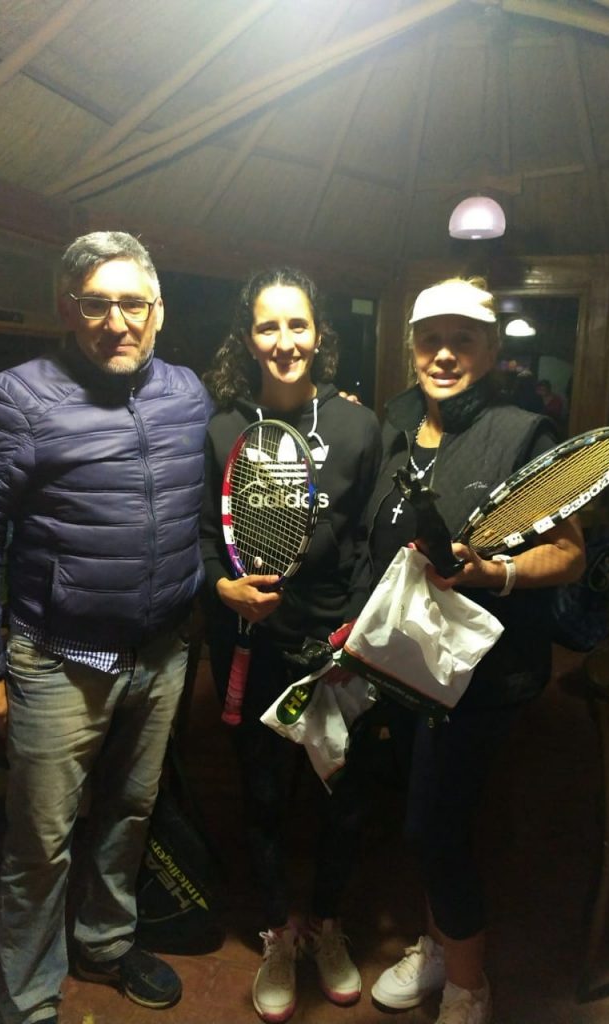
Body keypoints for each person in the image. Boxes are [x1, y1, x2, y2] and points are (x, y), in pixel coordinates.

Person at [0, 231, 214, 1024]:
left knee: (129, 816)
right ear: (68, 310)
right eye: (97, 304)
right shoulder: (16, 399)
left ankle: (104, 942)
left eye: (133, 303)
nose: (117, 322)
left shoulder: (188, 394)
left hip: (161, 655)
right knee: (40, 842)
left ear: (159, 310)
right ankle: (29, 997)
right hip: (57, 660)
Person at [355, 277, 585, 1024]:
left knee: (434, 829)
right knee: (423, 820)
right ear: (412, 347)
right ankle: (435, 944)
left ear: (490, 350)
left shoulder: (522, 434)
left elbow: (570, 554)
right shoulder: (395, 425)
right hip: (403, 665)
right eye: (432, 339)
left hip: (482, 676)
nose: (445, 354)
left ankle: (467, 986)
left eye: (464, 340)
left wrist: (496, 572)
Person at [200, 266, 381, 1023]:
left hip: (339, 651)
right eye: (268, 326)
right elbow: (205, 536)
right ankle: (279, 931)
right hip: (256, 647)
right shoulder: (220, 428)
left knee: (344, 800)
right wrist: (223, 588)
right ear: (248, 339)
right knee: (265, 796)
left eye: (297, 325)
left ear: (318, 334)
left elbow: (371, 542)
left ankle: (327, 925)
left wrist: (355, 632)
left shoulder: (358, 427)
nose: (284, 341)